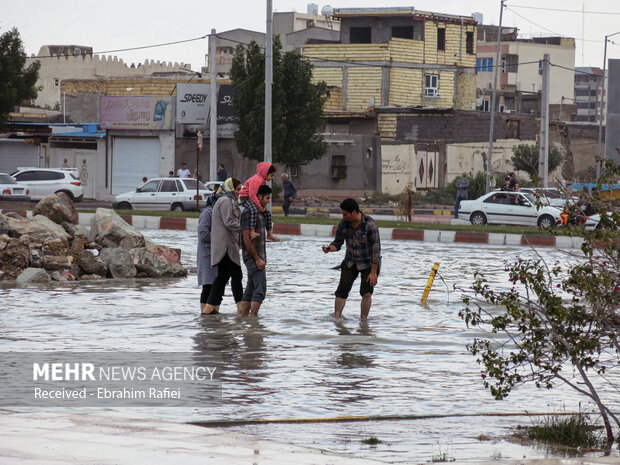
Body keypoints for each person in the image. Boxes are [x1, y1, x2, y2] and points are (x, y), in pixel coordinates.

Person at [322, 198, 381, 320]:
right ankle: (337, 319)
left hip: (369, 264)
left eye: (345, 214)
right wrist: (329, 248)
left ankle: (363, 322)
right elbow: (338, 242)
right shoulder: (343, 223)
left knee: (366, 292)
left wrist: (373, 272)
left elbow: (376, 250)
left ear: (354, 212)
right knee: (341, 291)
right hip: (350, 262)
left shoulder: (370, 225)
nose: (343, 216)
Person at [203, 178, 244, 315]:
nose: (239, 192)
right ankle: (241, 309)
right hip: (226, 246)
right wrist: (246, 228)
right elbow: (229, 222)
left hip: (223, 246)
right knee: (237, 275)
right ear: (231, 189)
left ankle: (208, 309)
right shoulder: (226, 201)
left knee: (223, 276)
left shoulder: (225, 200)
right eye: (238, 189)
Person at [238, 185, 272, 317]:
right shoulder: (248, 212)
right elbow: (246, 239)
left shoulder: (260, 213)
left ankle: (243, 317)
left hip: (259, 257)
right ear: (259, 197)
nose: (268, 201)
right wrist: (257, 259)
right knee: (260, 290)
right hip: (253, 257)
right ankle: (253, 320)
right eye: (267, 198)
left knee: (251, 289)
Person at [240, 162, 279, 241]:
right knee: (254, 210)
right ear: (265, 173)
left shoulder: (263, 181)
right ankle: (252, 231)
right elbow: (252, 195)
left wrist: (263, 207)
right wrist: (259, 206)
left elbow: (261, 196)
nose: (272, 178)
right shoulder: (256, 180)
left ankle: (269, 233)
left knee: (267, 213)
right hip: (246, 198)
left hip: (254, 199)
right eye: (271, 175)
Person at [197, 191, 221, 314]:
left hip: (217, 255)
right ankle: (205, 313)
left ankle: (214, 313)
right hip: (207, 256)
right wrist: (219, 237)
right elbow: (203, 234)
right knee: (208, 286)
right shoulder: (207, 213)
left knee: (217, 286)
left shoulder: (218, 215)